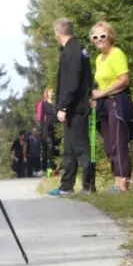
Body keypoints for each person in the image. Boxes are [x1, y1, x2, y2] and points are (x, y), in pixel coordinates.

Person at [89, 21, 133, 192]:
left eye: (102, 36)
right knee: (109, 144)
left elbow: (124, 80)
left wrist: (102, 93)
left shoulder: (116, 53)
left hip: (117, 101)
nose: (99, 40)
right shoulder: (99, 58)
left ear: (110, 36)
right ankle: (116, 180)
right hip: (104, 104)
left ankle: (124, 183)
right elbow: (102, 83)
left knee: (119, 142)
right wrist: (97, 95)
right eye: (95, 37)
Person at [47, 18, 94, 197]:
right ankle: (66, 186)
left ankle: (88, 186)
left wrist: (64, 106)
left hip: (76, 108)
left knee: (81, 147)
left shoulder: (73, 51)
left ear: (56, 34)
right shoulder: (77, 49)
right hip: (75, 107)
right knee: (69, 149)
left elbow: (72, 82)